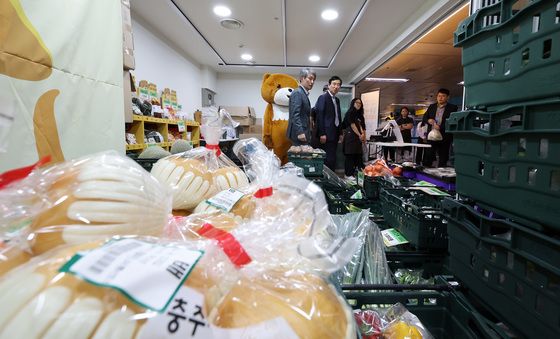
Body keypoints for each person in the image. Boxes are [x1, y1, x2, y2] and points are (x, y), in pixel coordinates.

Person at [422, 88, 458, 167]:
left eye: (443, 96)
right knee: (429, 155)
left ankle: (441, 175)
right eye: (439, 96)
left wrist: (440, 127)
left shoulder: (453, 108)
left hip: (444, 136)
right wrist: (429, 120)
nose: (440, 98)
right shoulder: (432, 106)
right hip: (431, 136)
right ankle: (426, 173)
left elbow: (452, 121)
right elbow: (424, 118)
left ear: (447, 97)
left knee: (443, 157)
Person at [314, 76, 343, 171]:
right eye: (334, 84)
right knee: (327, 159)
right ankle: (326, 180)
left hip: (335, 133)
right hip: (326, 134)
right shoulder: (323, 98)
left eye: (338, 85)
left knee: (333, 157)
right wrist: (322, 133)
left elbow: (338, 116)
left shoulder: (337, 100)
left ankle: (332, 179)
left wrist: (341, 133)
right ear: (329, 85)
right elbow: (319, 116)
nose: (336, 86)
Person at [286, 68, 316, 146]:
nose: (312, 82)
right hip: (299, 134)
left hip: (303, 132)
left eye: (314, 80)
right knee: (300, 157)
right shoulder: (298, 93)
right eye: (310, 79)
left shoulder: (302, 93)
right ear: (302, 78)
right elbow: (295, 114)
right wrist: (300, 132)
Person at [342, 98, 366, 178]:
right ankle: (348, 174)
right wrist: (360, 135)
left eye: (360, 103)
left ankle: (356, 174)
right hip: (351, 137)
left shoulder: (360, 115)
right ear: (353, 103)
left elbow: (363, 127)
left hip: (359, 138)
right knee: (350, 156)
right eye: (357, 102)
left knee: (358, 156)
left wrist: (364, 136)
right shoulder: (350, 113)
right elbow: (353, 125)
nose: (358, 104)